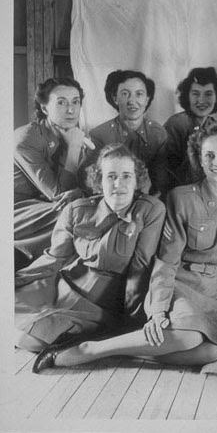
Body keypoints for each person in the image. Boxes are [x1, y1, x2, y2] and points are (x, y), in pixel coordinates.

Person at [31, 119, 217, 372]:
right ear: (200, 160)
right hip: (177, 287)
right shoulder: (181, 198)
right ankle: (88, 351)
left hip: (210, 295)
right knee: (191, 338)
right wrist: (158, 311)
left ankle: (121, 351)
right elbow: (166, 261)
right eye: (210, 155)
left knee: (212, 351)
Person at [15, 143, 165, 352]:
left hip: (100, 306)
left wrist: (131, 323)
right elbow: (54, 259)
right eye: (111, 176)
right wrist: (15, 280)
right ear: (99, 180)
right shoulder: (77, 210)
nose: (118, 184)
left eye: (126, 176)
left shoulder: (150, 210)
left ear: (137, 179)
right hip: (60, 288)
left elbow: (140, 268)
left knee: (29, 339)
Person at [14, 77, 88, 267]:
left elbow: (87, 183)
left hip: (41, 208)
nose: (71, 110)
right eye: (61, 102)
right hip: (16, 211)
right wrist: (74, 148)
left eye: (75, 102)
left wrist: (81, 191)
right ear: (45, 108)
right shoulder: (27, 138)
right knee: (73, 213)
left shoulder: (71, 133)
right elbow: (58, 195)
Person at [89, 70, 168, 197]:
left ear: (147, 99)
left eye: (139, 94)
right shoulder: (99, 135)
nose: (132, 101)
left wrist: (146, 204)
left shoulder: (158, 134)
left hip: (149, 201)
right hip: (111, 199)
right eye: (125, 94)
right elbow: (93, 184)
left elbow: (161, 183)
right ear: (115, 98)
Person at [165, 67, 217, 189]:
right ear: (187, 96)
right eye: (195, 94)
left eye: (208, 94)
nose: (201, 100)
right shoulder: (177, 124)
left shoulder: (215, 126)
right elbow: (167, 171)